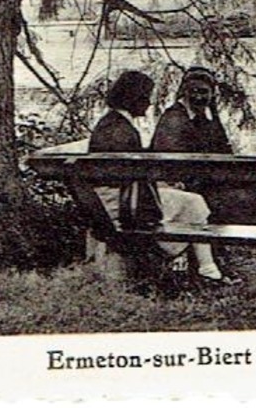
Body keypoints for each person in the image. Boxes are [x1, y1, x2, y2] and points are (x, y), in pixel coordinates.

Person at [89, 70, 239, 287]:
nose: (149, 103)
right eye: (146, 97)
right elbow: (130, 174)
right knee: (194, 202)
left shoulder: (113, 123)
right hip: (120, 202)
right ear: (133, 98)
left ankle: (207, 269)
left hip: (116, 195)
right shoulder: (119, 129)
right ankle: (207, 269)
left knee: (190, 200)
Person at [152, 66, 256, 277]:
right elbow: (171, 163)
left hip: (206, 180)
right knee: (237, 199)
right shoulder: (174, 118)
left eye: (204, 92)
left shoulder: (206, 116)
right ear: (184, 91)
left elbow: (224, 151)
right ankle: (219, 258)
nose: (199, 97)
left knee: (255, 195)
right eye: (194, 91)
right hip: (185, 185)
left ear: (212, 93)